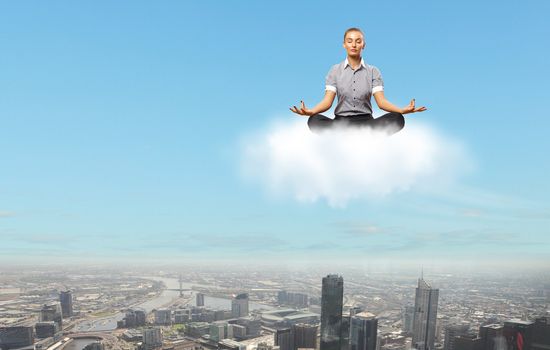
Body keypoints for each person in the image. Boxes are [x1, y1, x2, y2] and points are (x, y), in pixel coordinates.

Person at [290, 27, 427, 134]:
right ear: (344, 45)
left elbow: (381, 102)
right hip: (341, 123)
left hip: (366, 122)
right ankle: (343, 135)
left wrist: (402, 110)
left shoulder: (373, 71)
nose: (354, 45)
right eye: (349, 41)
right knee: (314, 120)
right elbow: (327, 102)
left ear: (364, 45)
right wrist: (311, 111)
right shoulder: (334, 70)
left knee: (397, 119)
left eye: (358, 41)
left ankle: (365, 137)